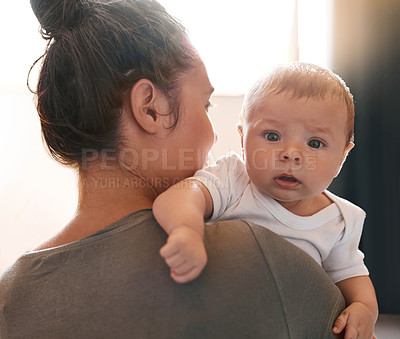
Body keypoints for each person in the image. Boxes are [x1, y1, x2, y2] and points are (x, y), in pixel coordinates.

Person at [0, 0, 345, 337]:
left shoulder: (8, 297)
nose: (212, 136)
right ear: (150, 108)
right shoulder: (262, 255)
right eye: (204, 104)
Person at [153, 62, 379, 338]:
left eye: (315, 143)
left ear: (342, 157)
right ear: (243, 141)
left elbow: (355, 283)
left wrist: (364, 310)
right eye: (272, 136)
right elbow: (180, 196)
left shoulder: (340, 220)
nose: (291, 154)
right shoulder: (234, 180)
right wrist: (186, 229)